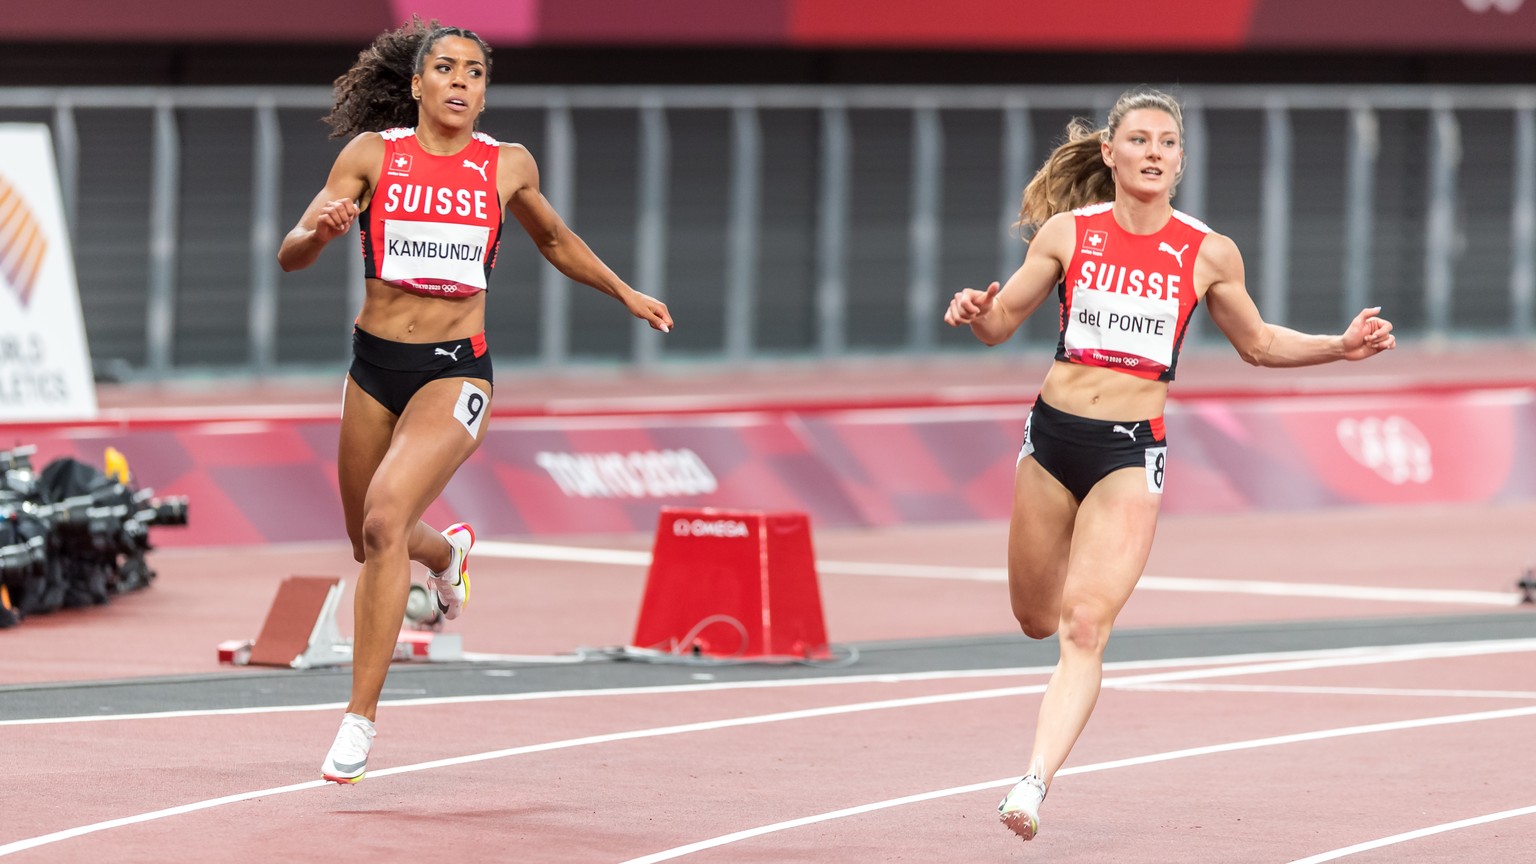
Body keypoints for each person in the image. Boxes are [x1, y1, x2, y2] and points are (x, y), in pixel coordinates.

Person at [943, 87, 1395, 841]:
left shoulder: (1207, 251)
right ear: (1110, 153)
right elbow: (1000, 324)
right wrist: (973, 310)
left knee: (1084, 627)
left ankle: (1031, 783)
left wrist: (1337, 347)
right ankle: (1052, 679)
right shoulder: (1067, 232)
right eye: (1141, 140)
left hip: (1129, 451)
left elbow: (1257, 343)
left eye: (1168, 144)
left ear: (1180, 162)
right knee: (1033, 618)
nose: (1155, 153)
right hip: (1052, 440)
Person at [277, 17, 673, 785]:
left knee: (386, 516)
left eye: (476, 74)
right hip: (372, 368)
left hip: (457, 370)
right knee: (369, 540)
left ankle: (358, 721)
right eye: (448, 70)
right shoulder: (372, 156)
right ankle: (448, 553)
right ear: (418, 84)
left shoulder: (506, 165)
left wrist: (625, 291)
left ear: (484, 95)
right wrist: (320, 232)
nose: (462, 83)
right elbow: (291, 252)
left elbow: (556, 241)